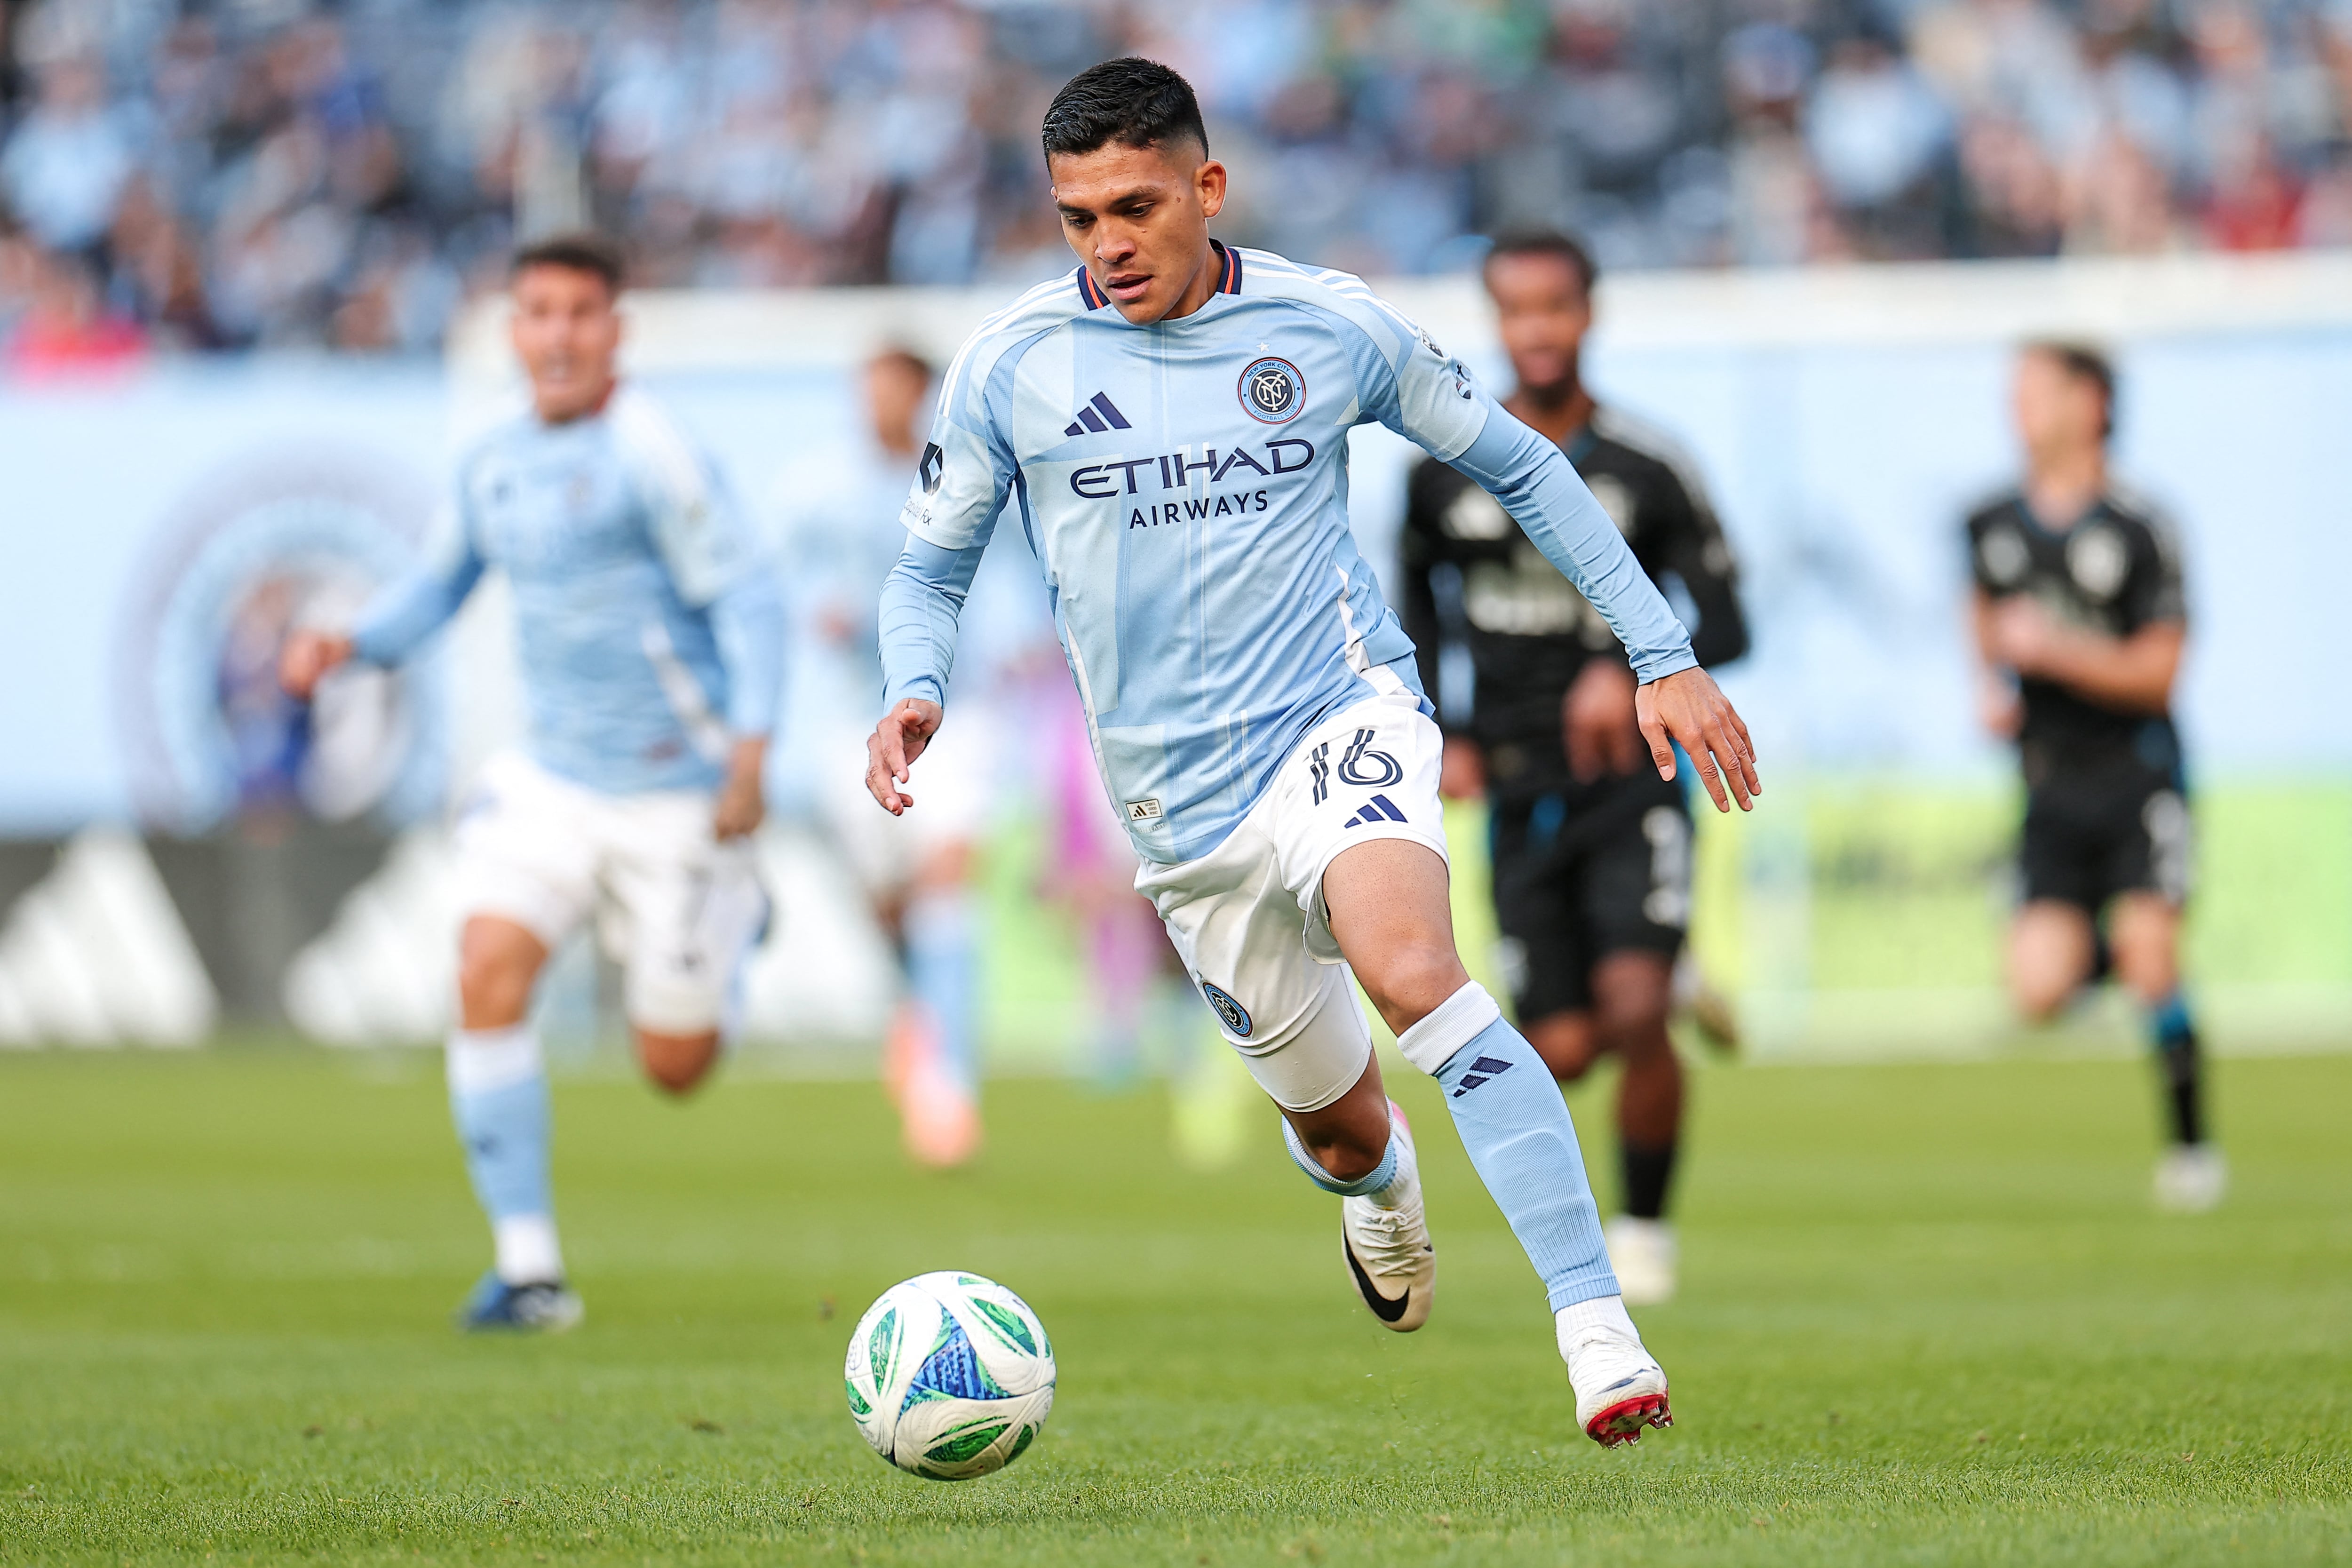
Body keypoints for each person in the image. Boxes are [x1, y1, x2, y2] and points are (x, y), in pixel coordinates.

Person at [866, 59, 1759, 1448]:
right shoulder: (1013, 369)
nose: (1109, 243)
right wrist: (914, 686)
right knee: (1341, 1127)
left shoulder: (1329, 326)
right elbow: (929, 571)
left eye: (1137, 206)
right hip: (1182, 811)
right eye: (1078, 216)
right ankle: (1381, 1181)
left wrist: (1662, 655)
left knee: (1420, 975)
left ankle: (1595, 1323)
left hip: (1338, 718)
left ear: (1207, 188)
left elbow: (1523, 465)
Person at [280, 232, 785, 1328]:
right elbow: (438, 583)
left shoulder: (656, 451)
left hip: (676, 789)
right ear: (514, 330)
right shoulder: (491, 455)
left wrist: (750, 753)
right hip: (552, 779)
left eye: (579, 314)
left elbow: (750, 602)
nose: (557, 335)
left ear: (617, 332)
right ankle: (528, 1272)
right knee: (486, 967)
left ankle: (734, 915)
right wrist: (350, 641)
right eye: (538, 313)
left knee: (675, 1064)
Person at [1397, 230, 1750, 1305]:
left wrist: (1626, 665)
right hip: (1516, 783)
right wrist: (1442, 731)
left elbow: (1730, 622)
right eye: (1517, 310)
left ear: (1589, 313)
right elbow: (1417, 616)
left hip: (1631, 777)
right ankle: (1669, 974)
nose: (1538, 329)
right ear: (1496, 321)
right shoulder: (1440, 475)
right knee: (1562, 1045)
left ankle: (1642, 1225)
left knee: (1632, 1011)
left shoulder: (1649, 465)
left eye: (1556, 307)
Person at [1966, 341, 2217, 1211]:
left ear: (2092, 403)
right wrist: (1993, 687)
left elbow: (2160, 672)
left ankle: (2192, 1149)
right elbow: (1986, 619)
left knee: (2154, 956)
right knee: (2036, 991)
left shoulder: (2143, 525)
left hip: (2138, 777)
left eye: (2035, 390)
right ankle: (2127, 949)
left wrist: (2057, 654)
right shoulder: (1991, 521)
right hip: (2049, 786)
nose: (2018, 407)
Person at [779, 348, 1036, 1167]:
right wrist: (838, 619)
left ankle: (946, 1089)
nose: (881, 405)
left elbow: (1015, 579)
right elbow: (796, 596)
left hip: (957, 717)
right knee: (889, 906)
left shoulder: (964, 479)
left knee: (947, 876)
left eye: (896, 391)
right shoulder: (816, 491)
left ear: (923, 398)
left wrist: (1027, 643)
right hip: (849, 723)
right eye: (870, 389)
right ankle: (919, 1020)